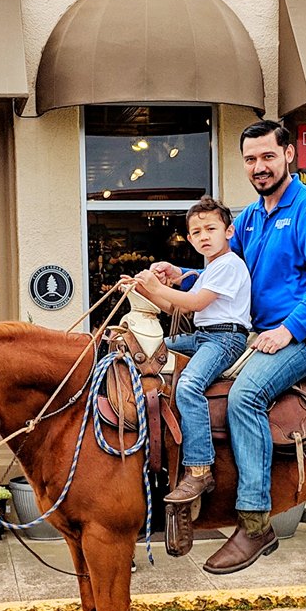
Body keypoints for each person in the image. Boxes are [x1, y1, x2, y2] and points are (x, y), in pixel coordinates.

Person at [151, 120, 306, 574]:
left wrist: (289, 330)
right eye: (251, 159)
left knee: (245, 396)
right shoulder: (252, 217)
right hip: (256, 332)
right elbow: (231, 274)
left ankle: (255, 522)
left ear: (289, 155)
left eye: (268, 157)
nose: (259, 167)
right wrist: (183, 276)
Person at [128, 196, 251, 505]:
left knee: (189, 385)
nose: (203, 236)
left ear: (229, 232)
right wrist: (142, 289)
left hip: (225, 340)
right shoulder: (209, 269)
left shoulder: (230, 265)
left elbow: (195, 304)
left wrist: (156, 288)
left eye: (211, 228)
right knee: (148, 353)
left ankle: (199, 467)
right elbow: (173, 306)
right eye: (196, 232)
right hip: (202, 336)